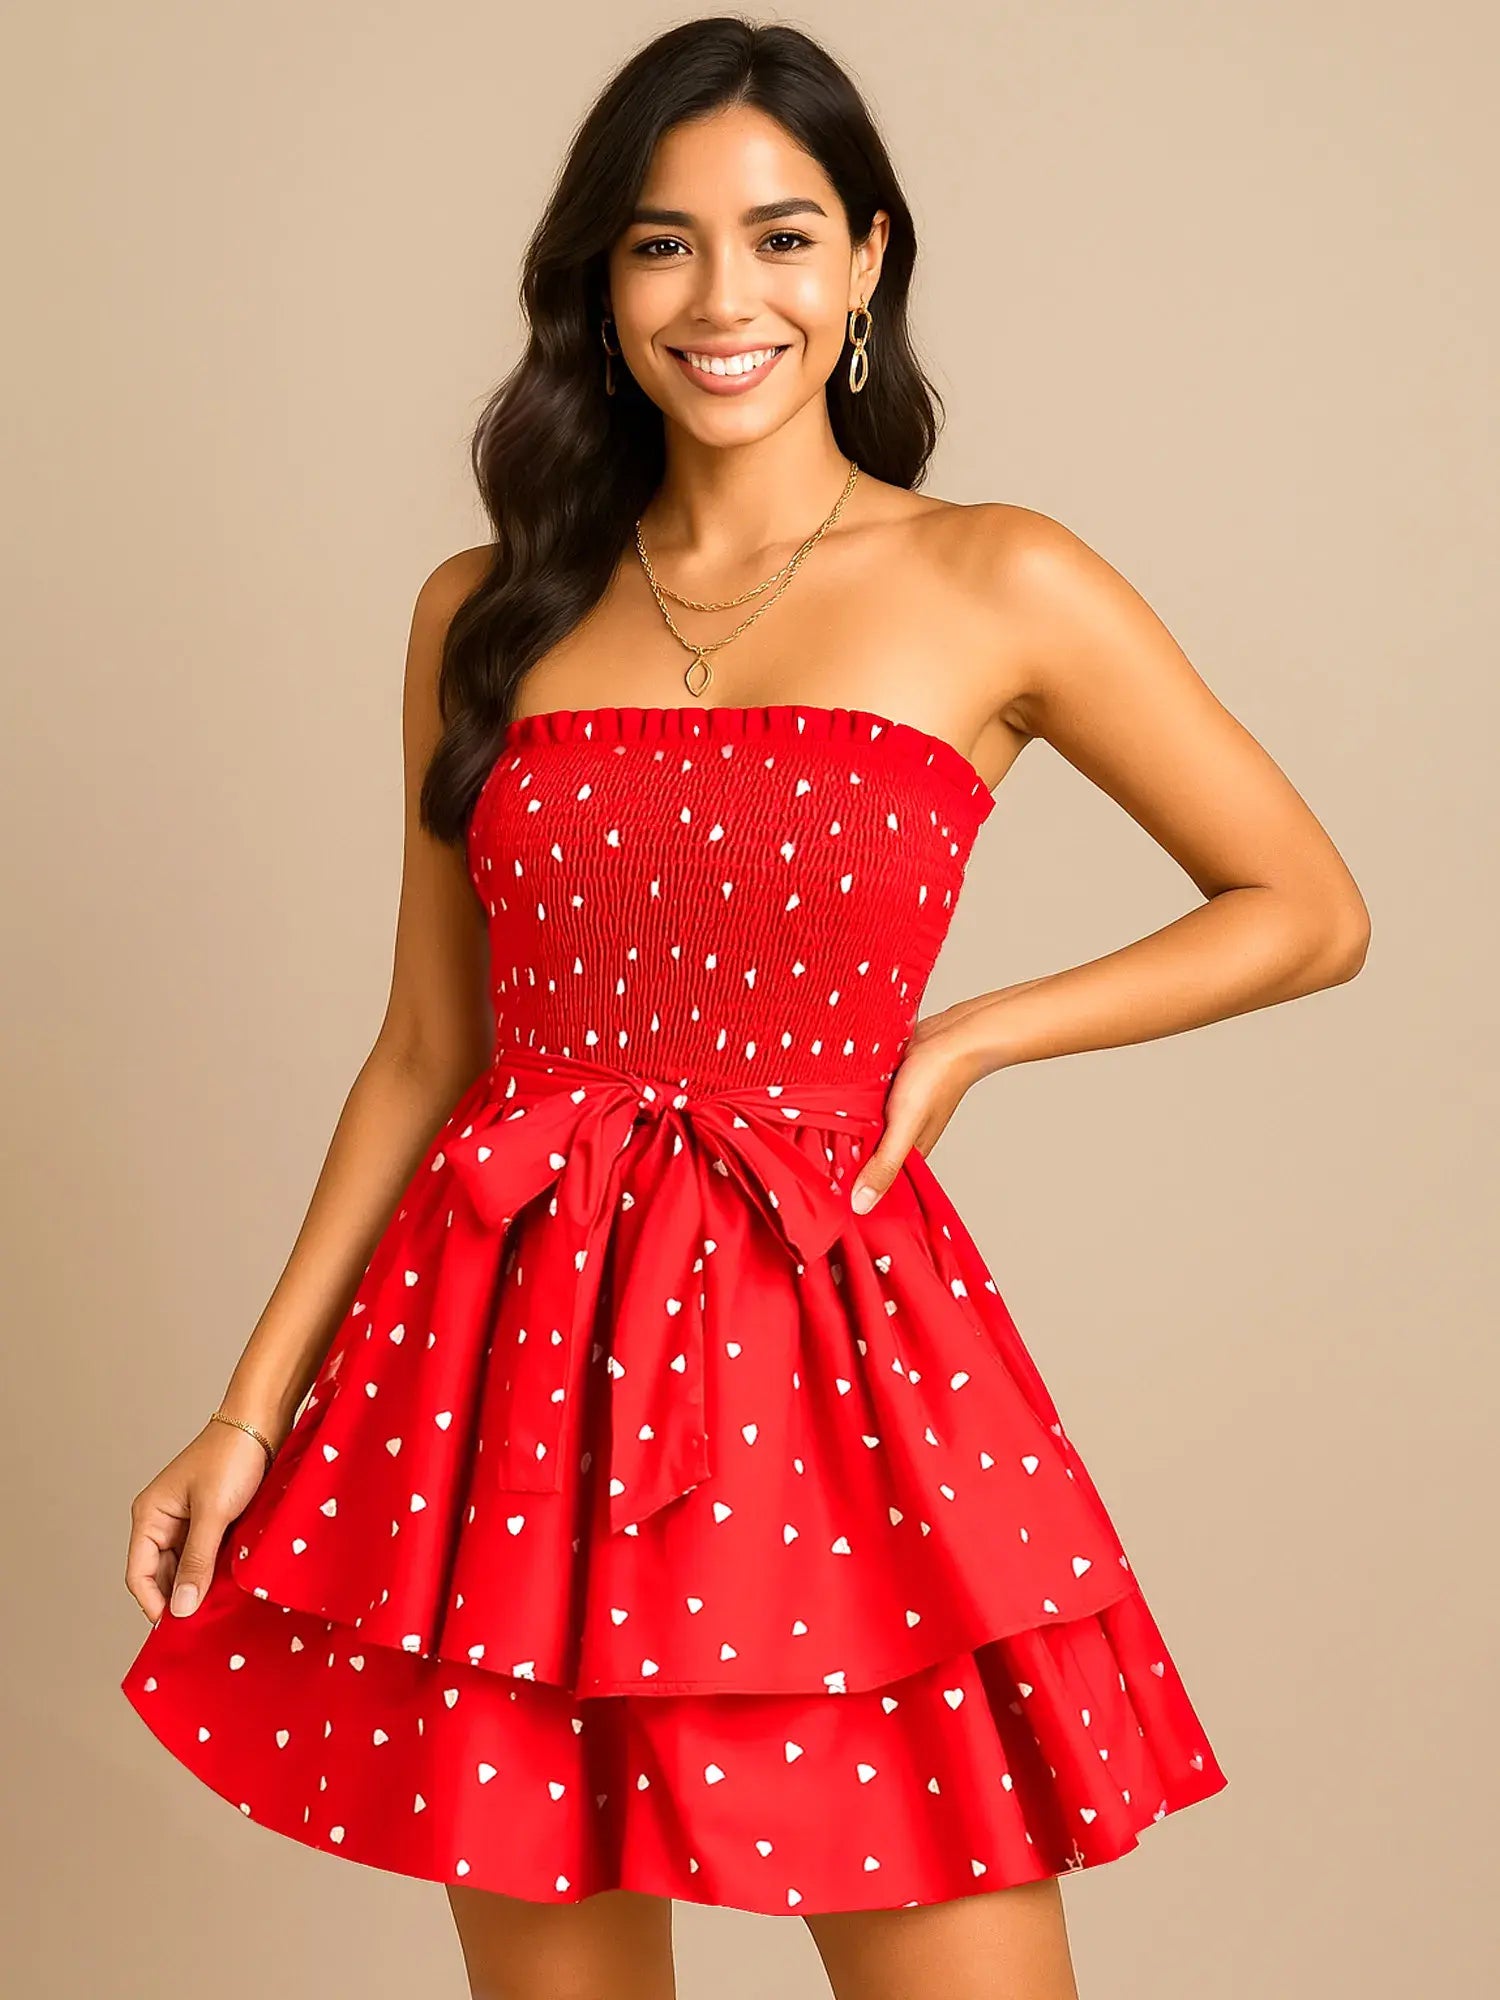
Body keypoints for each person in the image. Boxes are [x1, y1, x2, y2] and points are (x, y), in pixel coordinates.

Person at [120, 18, 1369, 2000]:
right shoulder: (488, 606)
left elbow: (1305, 908)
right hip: (504, 1370)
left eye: (783, 240)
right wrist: (245, 1409)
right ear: (596, 281)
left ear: (869, 262)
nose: (726, 301)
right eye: (661, 245)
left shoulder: (998, 579)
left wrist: (969, 1037)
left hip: (828, 1355)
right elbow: (431, 1051)